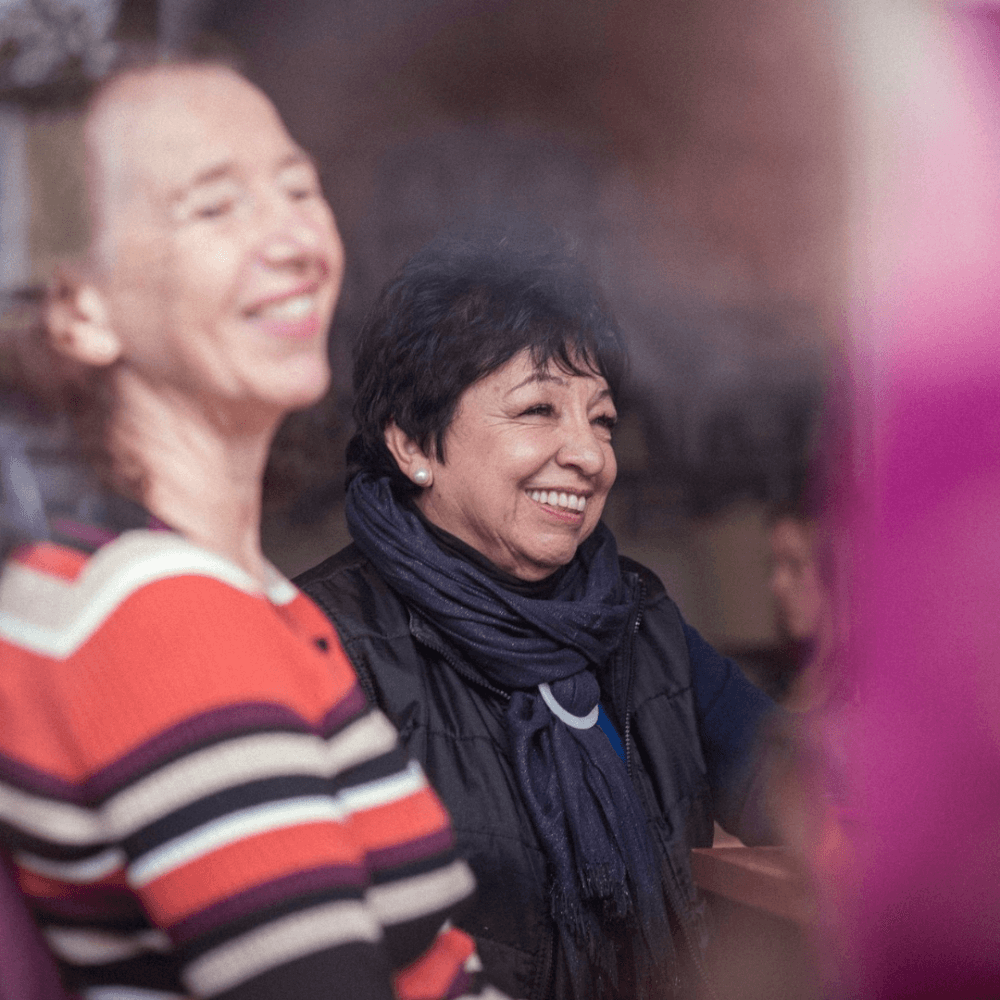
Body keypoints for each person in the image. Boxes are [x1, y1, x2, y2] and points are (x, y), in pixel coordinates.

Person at [0, 57, 504, 1000]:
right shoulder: (157, 618)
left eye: (297, 187)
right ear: (81, 308)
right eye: (214, 206)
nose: (295, 239)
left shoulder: (222, 589)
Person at [296, 233, 783, 1000]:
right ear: (414, 443)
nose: (588, 455)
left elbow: (788, 778)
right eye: (538, 410)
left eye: (603, 419)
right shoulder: (321, 643)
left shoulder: (635, 616)